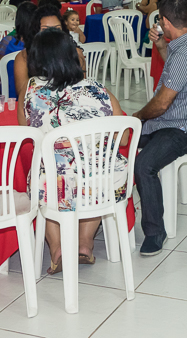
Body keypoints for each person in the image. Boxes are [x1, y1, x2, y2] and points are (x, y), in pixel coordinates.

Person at [21, 29, 128, 273]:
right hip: (101, 183)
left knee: (43, 176)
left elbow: (28, 134)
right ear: (72, 56)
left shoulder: (30, 91)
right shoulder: (98, 89)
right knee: (98, 172)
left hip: (55, 186)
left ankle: (57, 248)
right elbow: (123, 137)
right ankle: (84, 244)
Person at [133, 0, 187, 255]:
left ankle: (156, 232)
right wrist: (161, 48)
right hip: (172, 121)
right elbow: (177, 74)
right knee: (123, 139)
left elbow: (161, 104)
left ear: (165, 22)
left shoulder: (184, 54)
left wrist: (139, 116)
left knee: (144, 164)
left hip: (182, 128)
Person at [11, 5, 86, 108]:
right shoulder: (24, 58)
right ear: (36, 33)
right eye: (45, 30)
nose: (52, 35)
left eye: (57, 29)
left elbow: (82, 90)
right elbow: (23, 98)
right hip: (37, 110)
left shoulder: (75, 53)